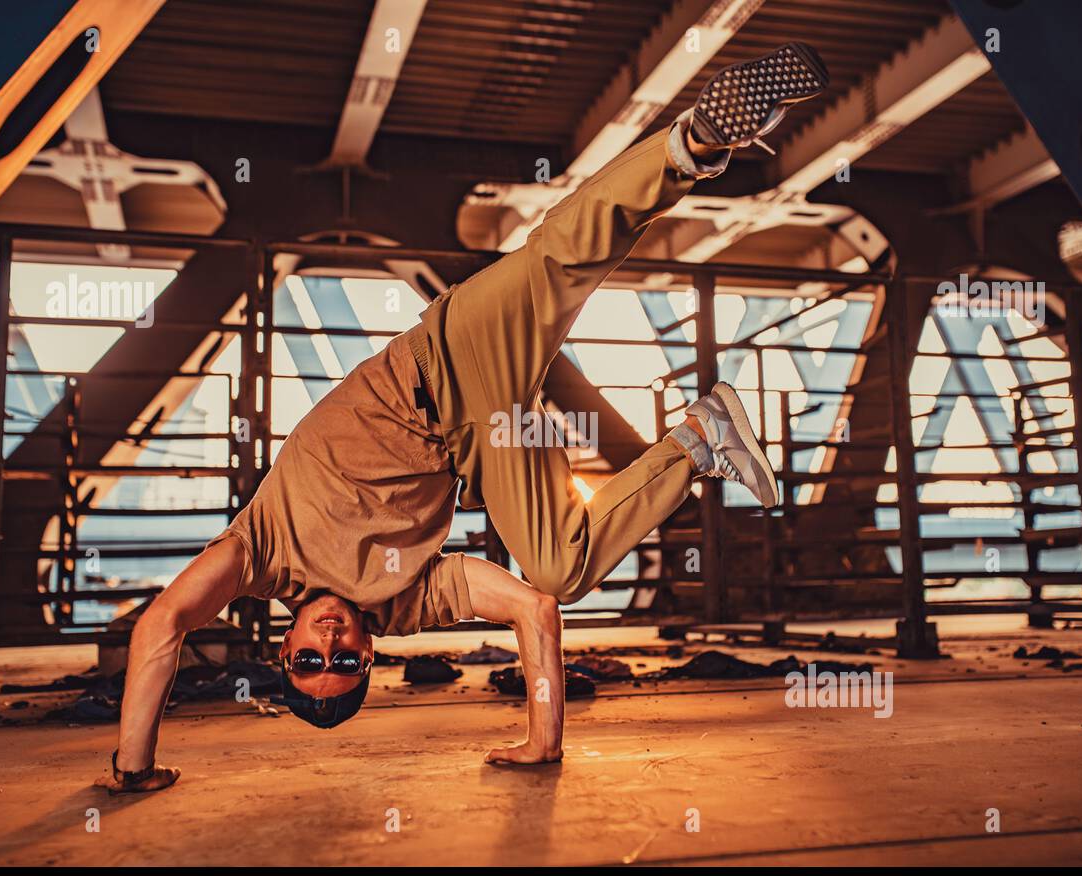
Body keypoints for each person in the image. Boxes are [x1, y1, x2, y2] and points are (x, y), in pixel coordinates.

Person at [99, 43, 829, 793]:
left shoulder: (261, 552)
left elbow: (164, 624)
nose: (329, 645)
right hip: (484, 443)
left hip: (451, 355)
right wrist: (543, 741)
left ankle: (696, 141)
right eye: (344, 664)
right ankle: (699, 440)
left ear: (282, 648)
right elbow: (532, 606)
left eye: (309, 660)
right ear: (368, 658)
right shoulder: (406, 601)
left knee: (565, 255)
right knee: (557, 565)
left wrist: (134, 767)